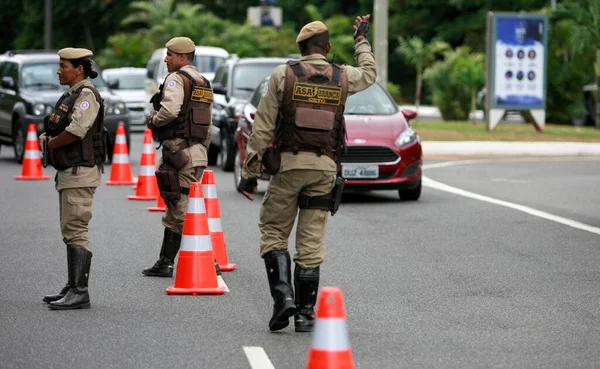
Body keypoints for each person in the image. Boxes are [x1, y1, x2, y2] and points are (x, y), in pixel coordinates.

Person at [237, 16, 377, 332]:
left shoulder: (283, 75)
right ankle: (304, 314)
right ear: (327, 48)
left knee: (274, 230)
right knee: (311, 242)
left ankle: (282, 297)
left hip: (288, 167)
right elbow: (370, 73)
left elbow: (262, 126)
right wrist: (360, 39)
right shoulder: (343, 77)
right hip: (325, 169)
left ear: (301, 49)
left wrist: (249, 170)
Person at [40, 48, 107, 310]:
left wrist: (52, 145)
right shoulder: (74, 93)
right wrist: (50, 139)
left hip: (80, 171)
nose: (59, 70)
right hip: (71, 171)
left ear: (79, 69)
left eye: (63, 66)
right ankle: (73, 285)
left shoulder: (87, 95)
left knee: (76, 229)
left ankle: (80, 291)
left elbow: (77, 130)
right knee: (70, 230)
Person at [142, 37, 214, 278]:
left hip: (178, 154)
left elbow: (170, 110)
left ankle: (209, 259)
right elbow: (208, 125)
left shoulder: (176, 79)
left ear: (183, 57)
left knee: (182, 207)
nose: (166, 59)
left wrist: (153, 119)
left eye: (170, 55)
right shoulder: (203, 82)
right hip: (197, 153)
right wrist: (201, 150)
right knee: (175, 205)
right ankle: (165, 262)